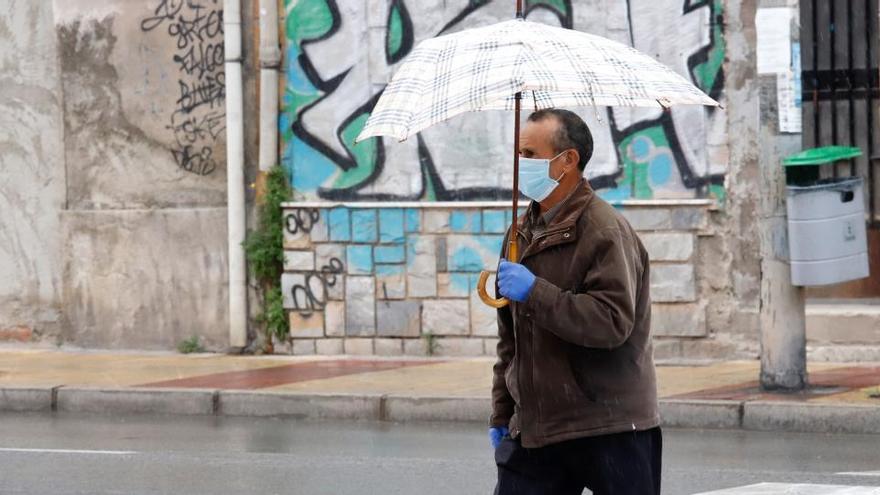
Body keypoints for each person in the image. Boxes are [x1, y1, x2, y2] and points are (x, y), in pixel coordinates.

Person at [489, 108, 661, 494]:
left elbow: (611, 323)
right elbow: (510, 340)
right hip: (537, 427)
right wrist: (502, 412)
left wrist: (535, 292)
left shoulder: (605, 230)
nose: (520, 165)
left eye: (530, 155)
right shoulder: (520, 233)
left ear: (567, 161)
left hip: (609, 424)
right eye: (518, 154)